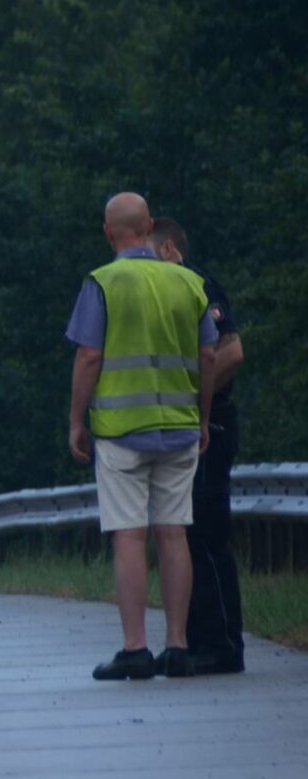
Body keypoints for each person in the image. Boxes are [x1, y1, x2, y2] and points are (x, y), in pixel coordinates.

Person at [67, 194, 219, 680]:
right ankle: (177, 645)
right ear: (150, 226)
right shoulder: (190, 282)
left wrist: (76, 421)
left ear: (109, 232)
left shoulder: (103, 282)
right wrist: (201, 417)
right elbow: (210, 357)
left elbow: (89, 356)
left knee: (129, 537)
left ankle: (135, 648)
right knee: (174, 533)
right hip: (178, 427)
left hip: (120, 432)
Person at [152, 217, 245, 672]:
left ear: (169, 248)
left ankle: (223, 645)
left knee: (206, 536)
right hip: (186, 426)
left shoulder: (199, 285)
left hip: (210, 427)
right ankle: (193, 640)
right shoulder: (166, 290)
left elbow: (230, 351)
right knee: (184, 533)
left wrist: (193, 401)